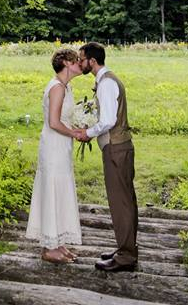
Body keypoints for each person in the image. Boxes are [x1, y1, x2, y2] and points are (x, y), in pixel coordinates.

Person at [74, 41, 139, 273]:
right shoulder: (106, 81)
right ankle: (126, 248)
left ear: (92, 61)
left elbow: (109, 121)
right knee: (125, 200)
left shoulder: (107, 83)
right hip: (118, 147)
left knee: (120, 202)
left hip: (116, 148)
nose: (79, 62)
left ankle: (126, 256)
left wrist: (88, 133)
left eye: (81, 59)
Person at [25, 47, 84, 263]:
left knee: (60, 190)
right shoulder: (57, 87)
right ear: (66, 63)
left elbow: (64, 119)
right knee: (52, 190)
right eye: (76, 60)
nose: (80, 64)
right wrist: (75, 133)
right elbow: (54, 122)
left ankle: (58, 242)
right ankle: (48, 248)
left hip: (62, 145)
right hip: (53, 145)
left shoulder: (66, 87)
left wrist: (78, 127)